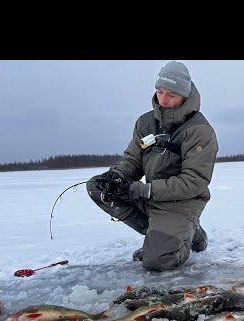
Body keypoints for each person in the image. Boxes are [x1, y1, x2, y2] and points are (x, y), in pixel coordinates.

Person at [87, 61, 218, 271]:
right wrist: (118, 175)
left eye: (171, 95)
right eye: (160, 92)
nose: (163, 100)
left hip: (181, 203)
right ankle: (158, 237)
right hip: (150, 197)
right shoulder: (145, 123)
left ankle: (187, 234)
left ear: (185, 95)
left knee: (156, 261)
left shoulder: (200, 131)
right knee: (99, 186)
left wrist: (146, 189)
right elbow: (132, 159)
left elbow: (194, 181)